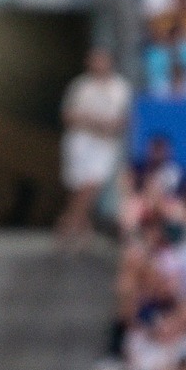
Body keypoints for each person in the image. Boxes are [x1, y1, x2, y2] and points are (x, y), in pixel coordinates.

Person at [60, 46, 131, 241]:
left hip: (105, 145)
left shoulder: (121, 87)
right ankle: (82, 228)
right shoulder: (80, 86)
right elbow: (68, 115)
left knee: (92, 184)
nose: (98, 64)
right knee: (78, 187)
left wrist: (105, 126)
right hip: (80, 142)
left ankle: (68, 224)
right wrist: (95, 123)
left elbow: (124, 119)